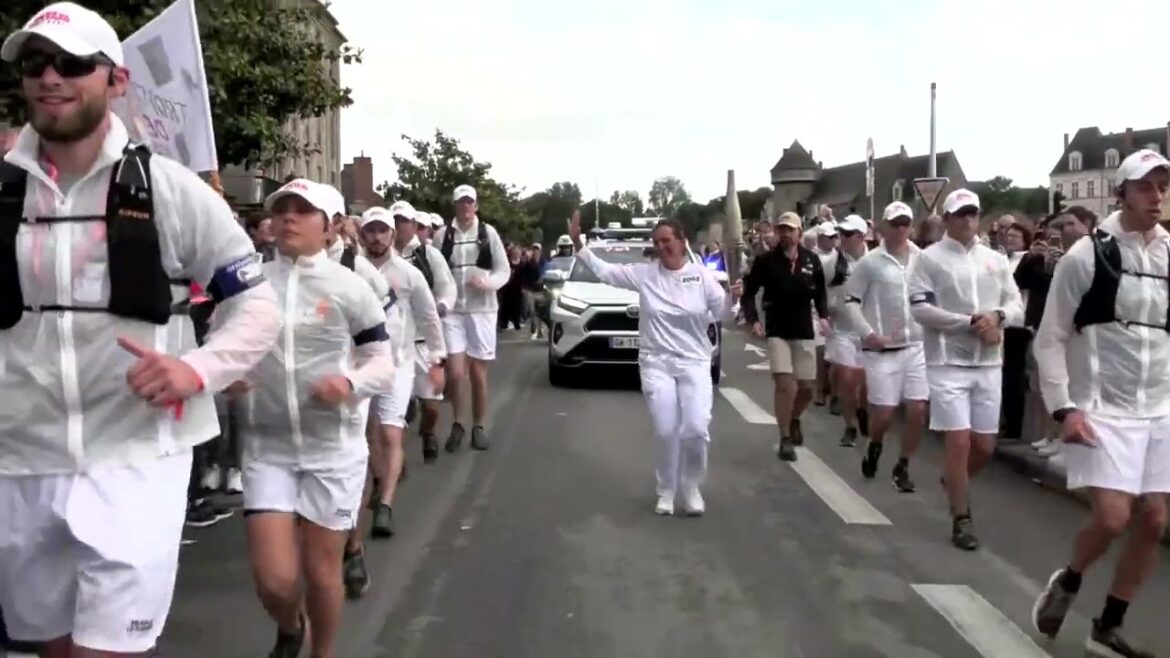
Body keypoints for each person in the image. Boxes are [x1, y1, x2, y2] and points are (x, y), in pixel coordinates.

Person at [0, 5, 283, 655]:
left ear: (116, 81)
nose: (50, 77)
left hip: (136, 458)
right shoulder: (3, 191)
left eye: (71, 64)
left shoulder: (169, 188)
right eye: (35, 64)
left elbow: (257, 305)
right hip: (19, 459)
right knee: (52, 646)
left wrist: (198, 370)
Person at [241, 182, 396, 658]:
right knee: (274, 579)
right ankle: (291, 626)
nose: (288, 218)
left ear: (329, 228)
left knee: (320, 570)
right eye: (281, 210)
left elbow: (382, 362)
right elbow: (225, 345)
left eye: (302, 211)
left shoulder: (352, 287)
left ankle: (321, 653)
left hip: (332, 448)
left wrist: (349, 385)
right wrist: (228, 374)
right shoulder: (249, 281)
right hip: (267, 446)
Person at [1030, 149, 1170, 657]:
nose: (1156, 197)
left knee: (1154, 520)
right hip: (1101, 407)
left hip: (1159, 407)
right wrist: (1065, 408)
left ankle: (1107, 626)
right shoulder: (1087, 255)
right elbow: (1049, 337)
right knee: (1112, 519)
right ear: (1122, 192)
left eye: (1162, 186)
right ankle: (1068, 580)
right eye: (1145, 187)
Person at [568, 213, 733, 515]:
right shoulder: (645, 274)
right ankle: (667, 490)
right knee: (666, 429)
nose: (661, 247)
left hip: (694, 361)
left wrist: (732, 299)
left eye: (667, 241)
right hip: (656, 361)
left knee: (696, 428)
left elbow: (722, 314)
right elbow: (605, 272)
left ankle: (691, 485)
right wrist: (580, 244)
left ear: (682, 242)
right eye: (657, 243)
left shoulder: (702, 276)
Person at [907, 189, 1023, 550]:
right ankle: (961, 517)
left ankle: (953, 480)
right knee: (958, 441)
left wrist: (997, 317)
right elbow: (920, 308)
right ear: (946, 217)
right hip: (947, 362)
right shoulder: (928, 259)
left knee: (984, 448)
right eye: (960, 214)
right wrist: (968, 322)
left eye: (973, 213)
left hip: (989, 362)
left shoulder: (995, 259)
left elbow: (1016, 303)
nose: (968, 220)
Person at [354, 202, 446, 543]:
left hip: (398, 363)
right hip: (361, 365)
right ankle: (379, 481)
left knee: (391, 433)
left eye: (383, 231)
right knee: (369, 436)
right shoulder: (351, 271)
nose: (377, 237)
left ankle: (386, 506)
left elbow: (428, 318)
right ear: (362, 235)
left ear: (393, 234)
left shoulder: (409, 274)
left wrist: (437, 359)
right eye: (371, 231)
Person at [842, 202, 925, 492]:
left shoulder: (922, 258)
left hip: (916, 345)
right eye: (896, 223)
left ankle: (903, 465)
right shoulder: (870, 262)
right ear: (883, 227)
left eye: (906, 223)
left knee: (917, 409)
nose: (901, 229)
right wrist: (867, 333)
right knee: (885, 415)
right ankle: (874, 445)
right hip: (881, 350)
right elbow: (851, 302)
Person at [741, 212, 830, 461]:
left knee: (807, 387)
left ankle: (794, 418)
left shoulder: (811, 260)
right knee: (784, 384)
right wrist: (753, 319)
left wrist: (823, 315)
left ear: (800, 232)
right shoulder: (766, 261)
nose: (785, 234)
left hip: (803, 329)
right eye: (782, 229)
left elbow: (820, 292)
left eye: (790, 229)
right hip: (777, 329)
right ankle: (785, 438)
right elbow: (749, 294)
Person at [433, 185, 510, 452]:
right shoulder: (443, 235)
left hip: (483, 311)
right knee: (455, 373)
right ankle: (458, 422)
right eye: (461, 202)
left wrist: (488, 282)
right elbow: (434, 271)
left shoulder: (488, 233)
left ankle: (478, 425)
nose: (466, 207)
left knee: (478, 373)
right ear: (455, 205)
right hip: (454, 311)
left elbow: (504, 270)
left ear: (476, 206)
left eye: (470, 202)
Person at [397, 206, 458, 462]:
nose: (400, 226)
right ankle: (393, 464)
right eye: (395, 221)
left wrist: (443, 305)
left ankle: (428, 432)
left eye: (404, 222)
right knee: (396, 412)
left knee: (431, 407)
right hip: (396, 345)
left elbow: (447, 286)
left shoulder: (429, 255)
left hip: (424, 342)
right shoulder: (382, 257)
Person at [821, 214, 869, 446]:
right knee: (848, 380)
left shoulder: (876, 261)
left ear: (862, 236)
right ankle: (849, 427)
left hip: (869, 330)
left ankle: (862, 409)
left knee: (868, 386)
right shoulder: (832, 264)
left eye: (848, 234)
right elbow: (818, 293)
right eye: (841, 233)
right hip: (842, 329)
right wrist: (824, 314)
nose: (843, 238)